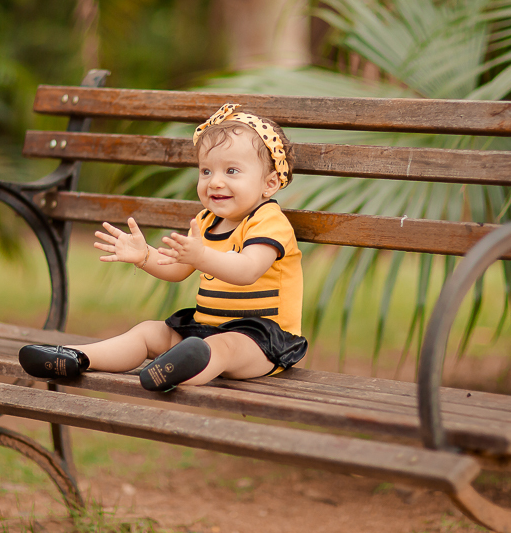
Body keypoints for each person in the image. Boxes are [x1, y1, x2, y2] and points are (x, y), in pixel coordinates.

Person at [18, 103, 306, 392]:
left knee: (225, 346)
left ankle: (178, 371)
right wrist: (145, 256)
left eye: (231, 171)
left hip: (261, 340)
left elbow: (247, 270)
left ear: (269, 183)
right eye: (206, 171)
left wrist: (202, 256)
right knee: (149, 332)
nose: (215, 182)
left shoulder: (269, 221)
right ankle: (77, 357)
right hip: (204, 332)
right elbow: (177, 269)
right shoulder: (206, 221)